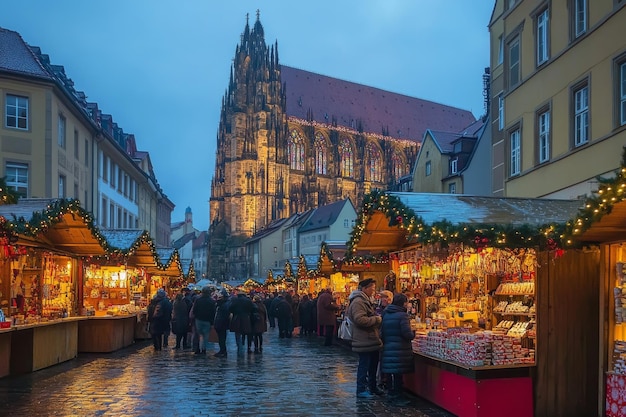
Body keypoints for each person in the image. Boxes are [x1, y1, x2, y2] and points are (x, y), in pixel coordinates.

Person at [346, 278, 383, 399]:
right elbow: (360, 320)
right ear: (364, 288)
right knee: (364, 365)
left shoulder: (365, 300)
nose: (373, 291)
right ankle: (361, 389)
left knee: (372, 365)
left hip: (370, 339)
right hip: (364, 340)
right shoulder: (358, 302)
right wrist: (376, 319)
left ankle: (372, 387)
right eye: (372, 288)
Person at [380, 293, 415, 406]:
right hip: (399, 349)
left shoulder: (386, 313)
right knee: (398, 374)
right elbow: (406, 334)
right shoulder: (402, 316)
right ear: (403, 303)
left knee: (391, 373)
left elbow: (382, 332)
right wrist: (413, 333)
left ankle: (391, 394)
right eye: (406, 302)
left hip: (388, 347)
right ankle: (398, 396)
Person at [191, 286, 217, 354]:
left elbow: (194, 310)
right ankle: (203, 349)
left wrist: (196, 316)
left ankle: (197, 348)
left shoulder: (198, 300)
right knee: (206, 336)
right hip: (207, 321)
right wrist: (212, 322)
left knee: (198, 334)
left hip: (198, 320)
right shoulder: (211, 301)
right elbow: (213, 312)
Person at [213, 289, 231, 357]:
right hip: (220, 323)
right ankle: (222, 350)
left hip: (221, 323)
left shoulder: (224, 304)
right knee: (221, 338)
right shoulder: (223, 303)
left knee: (222, 338)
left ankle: (223, 351)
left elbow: (224, 314)